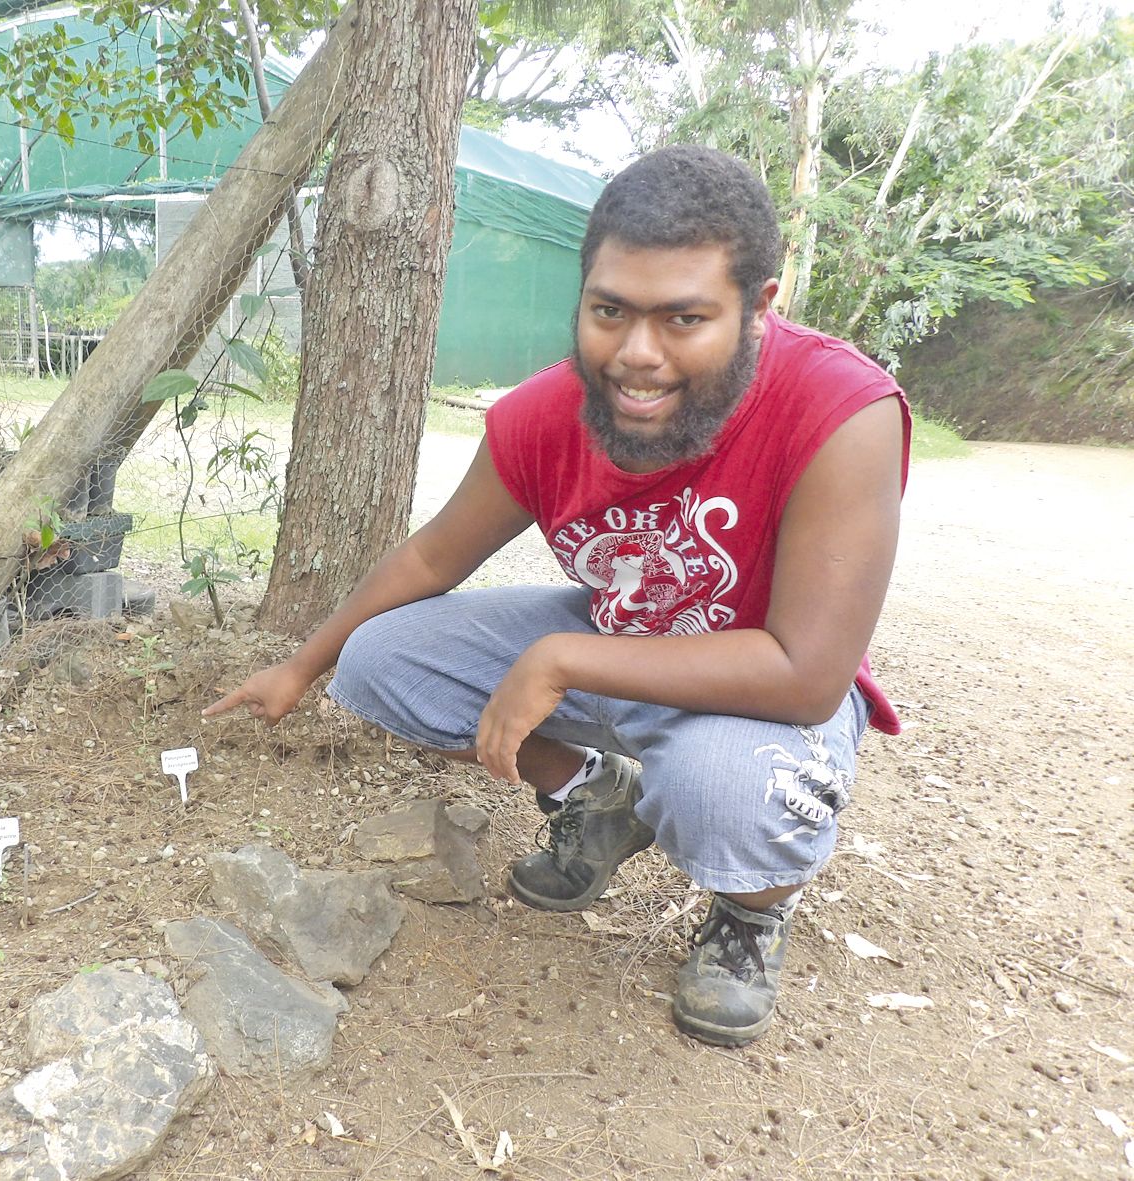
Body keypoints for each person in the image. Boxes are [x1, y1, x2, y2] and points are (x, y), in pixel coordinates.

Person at [204, 145, 909, 1047]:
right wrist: (301, 665)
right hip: (622, 638)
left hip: (755, 690)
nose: (636, 355)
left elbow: (807, 674)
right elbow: (430, 558)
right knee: (378, 659)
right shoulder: (542, 415)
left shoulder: (840, 410)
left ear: (759, 308)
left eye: (684, 319)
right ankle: (596, 795)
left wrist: (561, 655)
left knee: (725, 791)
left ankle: (746, 915)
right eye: (608, 311)